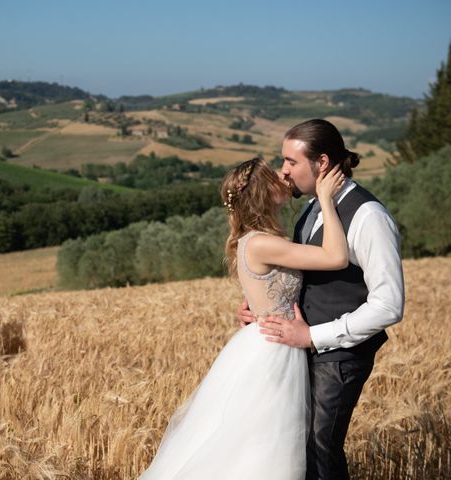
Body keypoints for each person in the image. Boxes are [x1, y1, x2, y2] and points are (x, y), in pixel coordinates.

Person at [138, 157, 348, 480]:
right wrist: (326, 201)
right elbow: (335, 256)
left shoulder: (253, 240)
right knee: (267, 450)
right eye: (276, 175)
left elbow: (267, 289)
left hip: (266, 342)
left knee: (257, 443)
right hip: (274, 351)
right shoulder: (263, 243)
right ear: (264, 191)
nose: (284, 176)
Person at [238, 119, 405, 480]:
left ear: (323, 162)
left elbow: (390, 304)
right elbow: (303, 276)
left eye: (290, 162)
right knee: (297, 447)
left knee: (320, 449)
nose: (283, 171)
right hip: (302, 351)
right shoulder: (314, 207)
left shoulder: (368, 216)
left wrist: (313, 337)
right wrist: (261, 309)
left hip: (339, 357)